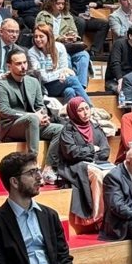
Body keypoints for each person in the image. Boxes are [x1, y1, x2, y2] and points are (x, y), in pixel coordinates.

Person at [47, 97, 110, 232]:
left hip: (97, 162)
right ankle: (98, 217)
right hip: (74, 166)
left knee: (114, 173)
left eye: (87, 108)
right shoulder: (68, 130)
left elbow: (105, 150)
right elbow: (72, 153)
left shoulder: (95, 127)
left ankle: (114, 215)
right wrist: (92, 149)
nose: (85, 112)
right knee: (96, 175)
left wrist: (91, 154)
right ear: (73, 113)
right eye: (80, 110)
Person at [0, 49, 62, 152]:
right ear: (9, 66)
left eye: (25, 62)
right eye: (18, 64)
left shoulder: (33, 81)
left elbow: (40, 106)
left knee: (60, 129)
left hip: (34, 123)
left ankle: (51, 162)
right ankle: (32, 158)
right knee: (32, 118)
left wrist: (43, 116)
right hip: (11, 127)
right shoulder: (2, 85)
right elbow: (4, 110)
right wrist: (32, 115)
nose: (23, 66)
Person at [36, 0, 92, 96]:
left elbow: (75, 31)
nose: (61, 6)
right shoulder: (43, 15)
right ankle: (73, 86)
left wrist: (73, 36)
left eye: (62, 3)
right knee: (66, 57)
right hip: (53, 48)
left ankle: (81, 87)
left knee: (84, 55)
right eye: (58, 3)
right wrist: (61, 38)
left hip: (69, 46)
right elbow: (42, 34)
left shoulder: (67, 16)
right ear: (51, 3)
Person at [29, 23, 87, 102]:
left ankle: (69, 110)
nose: (38, 39)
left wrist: (64, 74)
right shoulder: (32, 52)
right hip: (45, 87)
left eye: (41, 36)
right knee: (72, 80)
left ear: (49, 37)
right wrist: (61, 72)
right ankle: (90, 107)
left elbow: (65, 69)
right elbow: (44, 78)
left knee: (70, 91)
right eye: (36, 36)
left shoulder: (60, 47)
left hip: (60, 82)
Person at [105, 25, 132, 94]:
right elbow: (115, 63)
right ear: (130, 36)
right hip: (114, 80)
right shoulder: (119, 43)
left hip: (131, 80)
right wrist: (120, 80)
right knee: (126, 91)